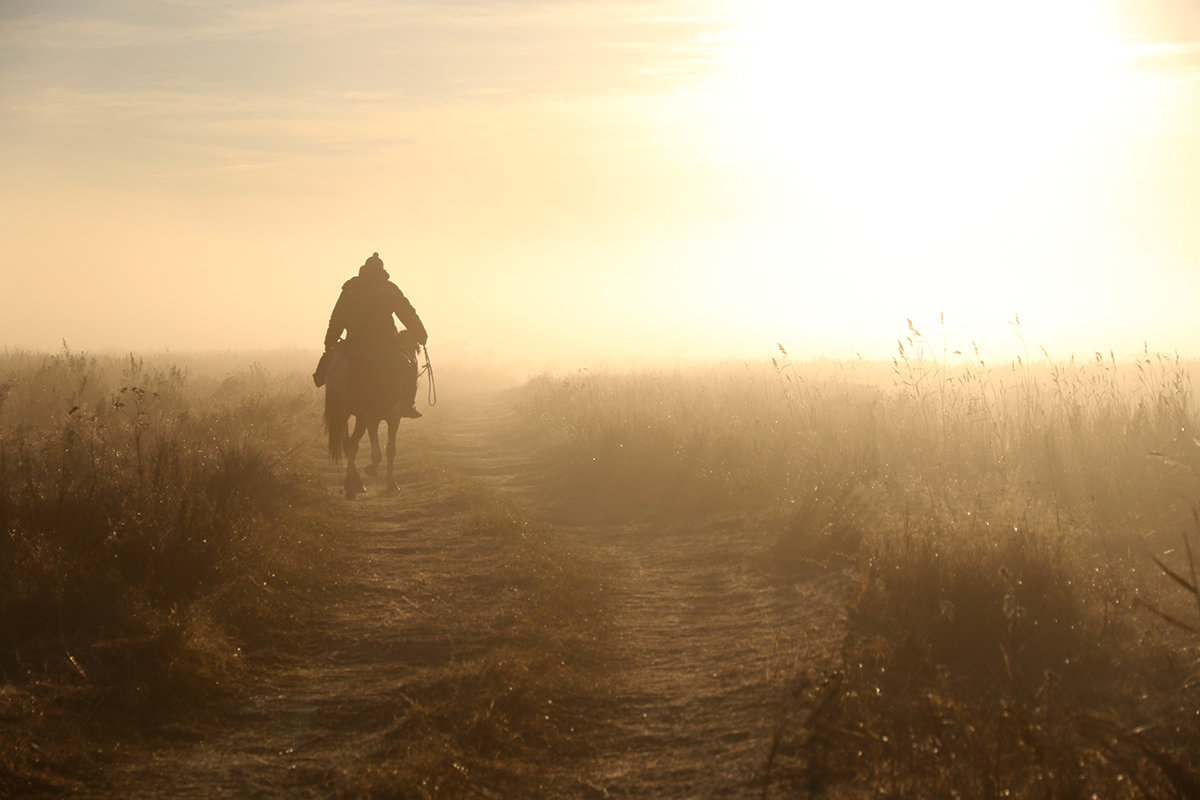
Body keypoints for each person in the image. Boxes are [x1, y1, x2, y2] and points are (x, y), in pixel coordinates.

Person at [323, 251, 428, 418]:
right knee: (408, 366)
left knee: (329, 363)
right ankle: (406, 405)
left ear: (363, 269)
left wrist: (329, 341)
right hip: (384, 341)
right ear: (382, 271)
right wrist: (421, 334)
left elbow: (338, 316)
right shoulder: (389, 289)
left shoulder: (351, 287)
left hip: (353, 340)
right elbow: (407, 313)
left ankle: (325, 383)